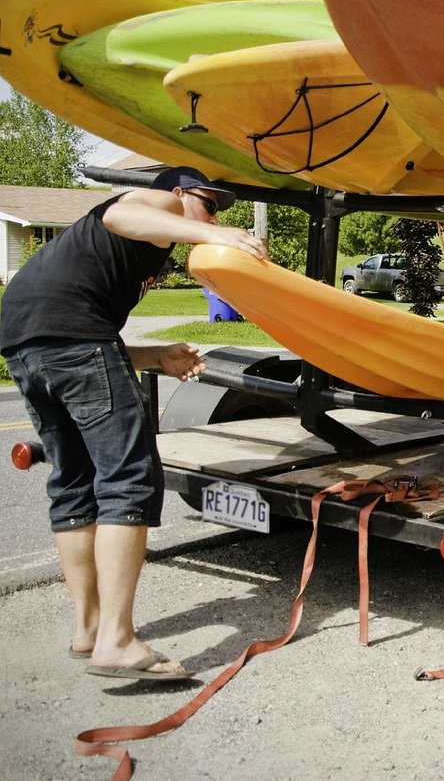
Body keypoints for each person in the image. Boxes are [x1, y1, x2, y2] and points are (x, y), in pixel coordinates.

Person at [1, 166, 269, 679]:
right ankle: (117, 642)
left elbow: (76, 333)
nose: (214, 215)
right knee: (130, 480)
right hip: (70, 340)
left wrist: (157, 356)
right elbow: (122, 212)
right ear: (178, 194)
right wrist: (215, 234)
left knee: (73, 483)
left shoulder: (130, 250)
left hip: (25, 345)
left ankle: (89, 628)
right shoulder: (156, 208)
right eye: (209, 204)